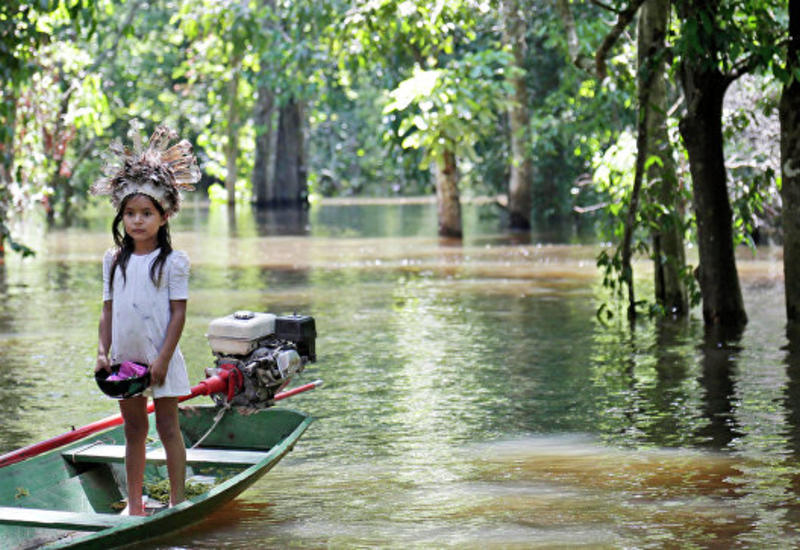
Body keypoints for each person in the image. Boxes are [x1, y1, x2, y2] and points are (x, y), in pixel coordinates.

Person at [91, 120, 201, 516]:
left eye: (147, 213)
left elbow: (178, 314)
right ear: (121, 216)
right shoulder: (113, 260)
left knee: (168, 428)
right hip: (125, 358)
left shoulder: (173, 261)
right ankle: (134, 505)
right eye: (131, 213)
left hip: (160, 356)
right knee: (133, 430)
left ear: (165, 215)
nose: (138, 221)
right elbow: (107, 309)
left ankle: (177, 499)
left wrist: (164, 359)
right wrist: (103, 352)